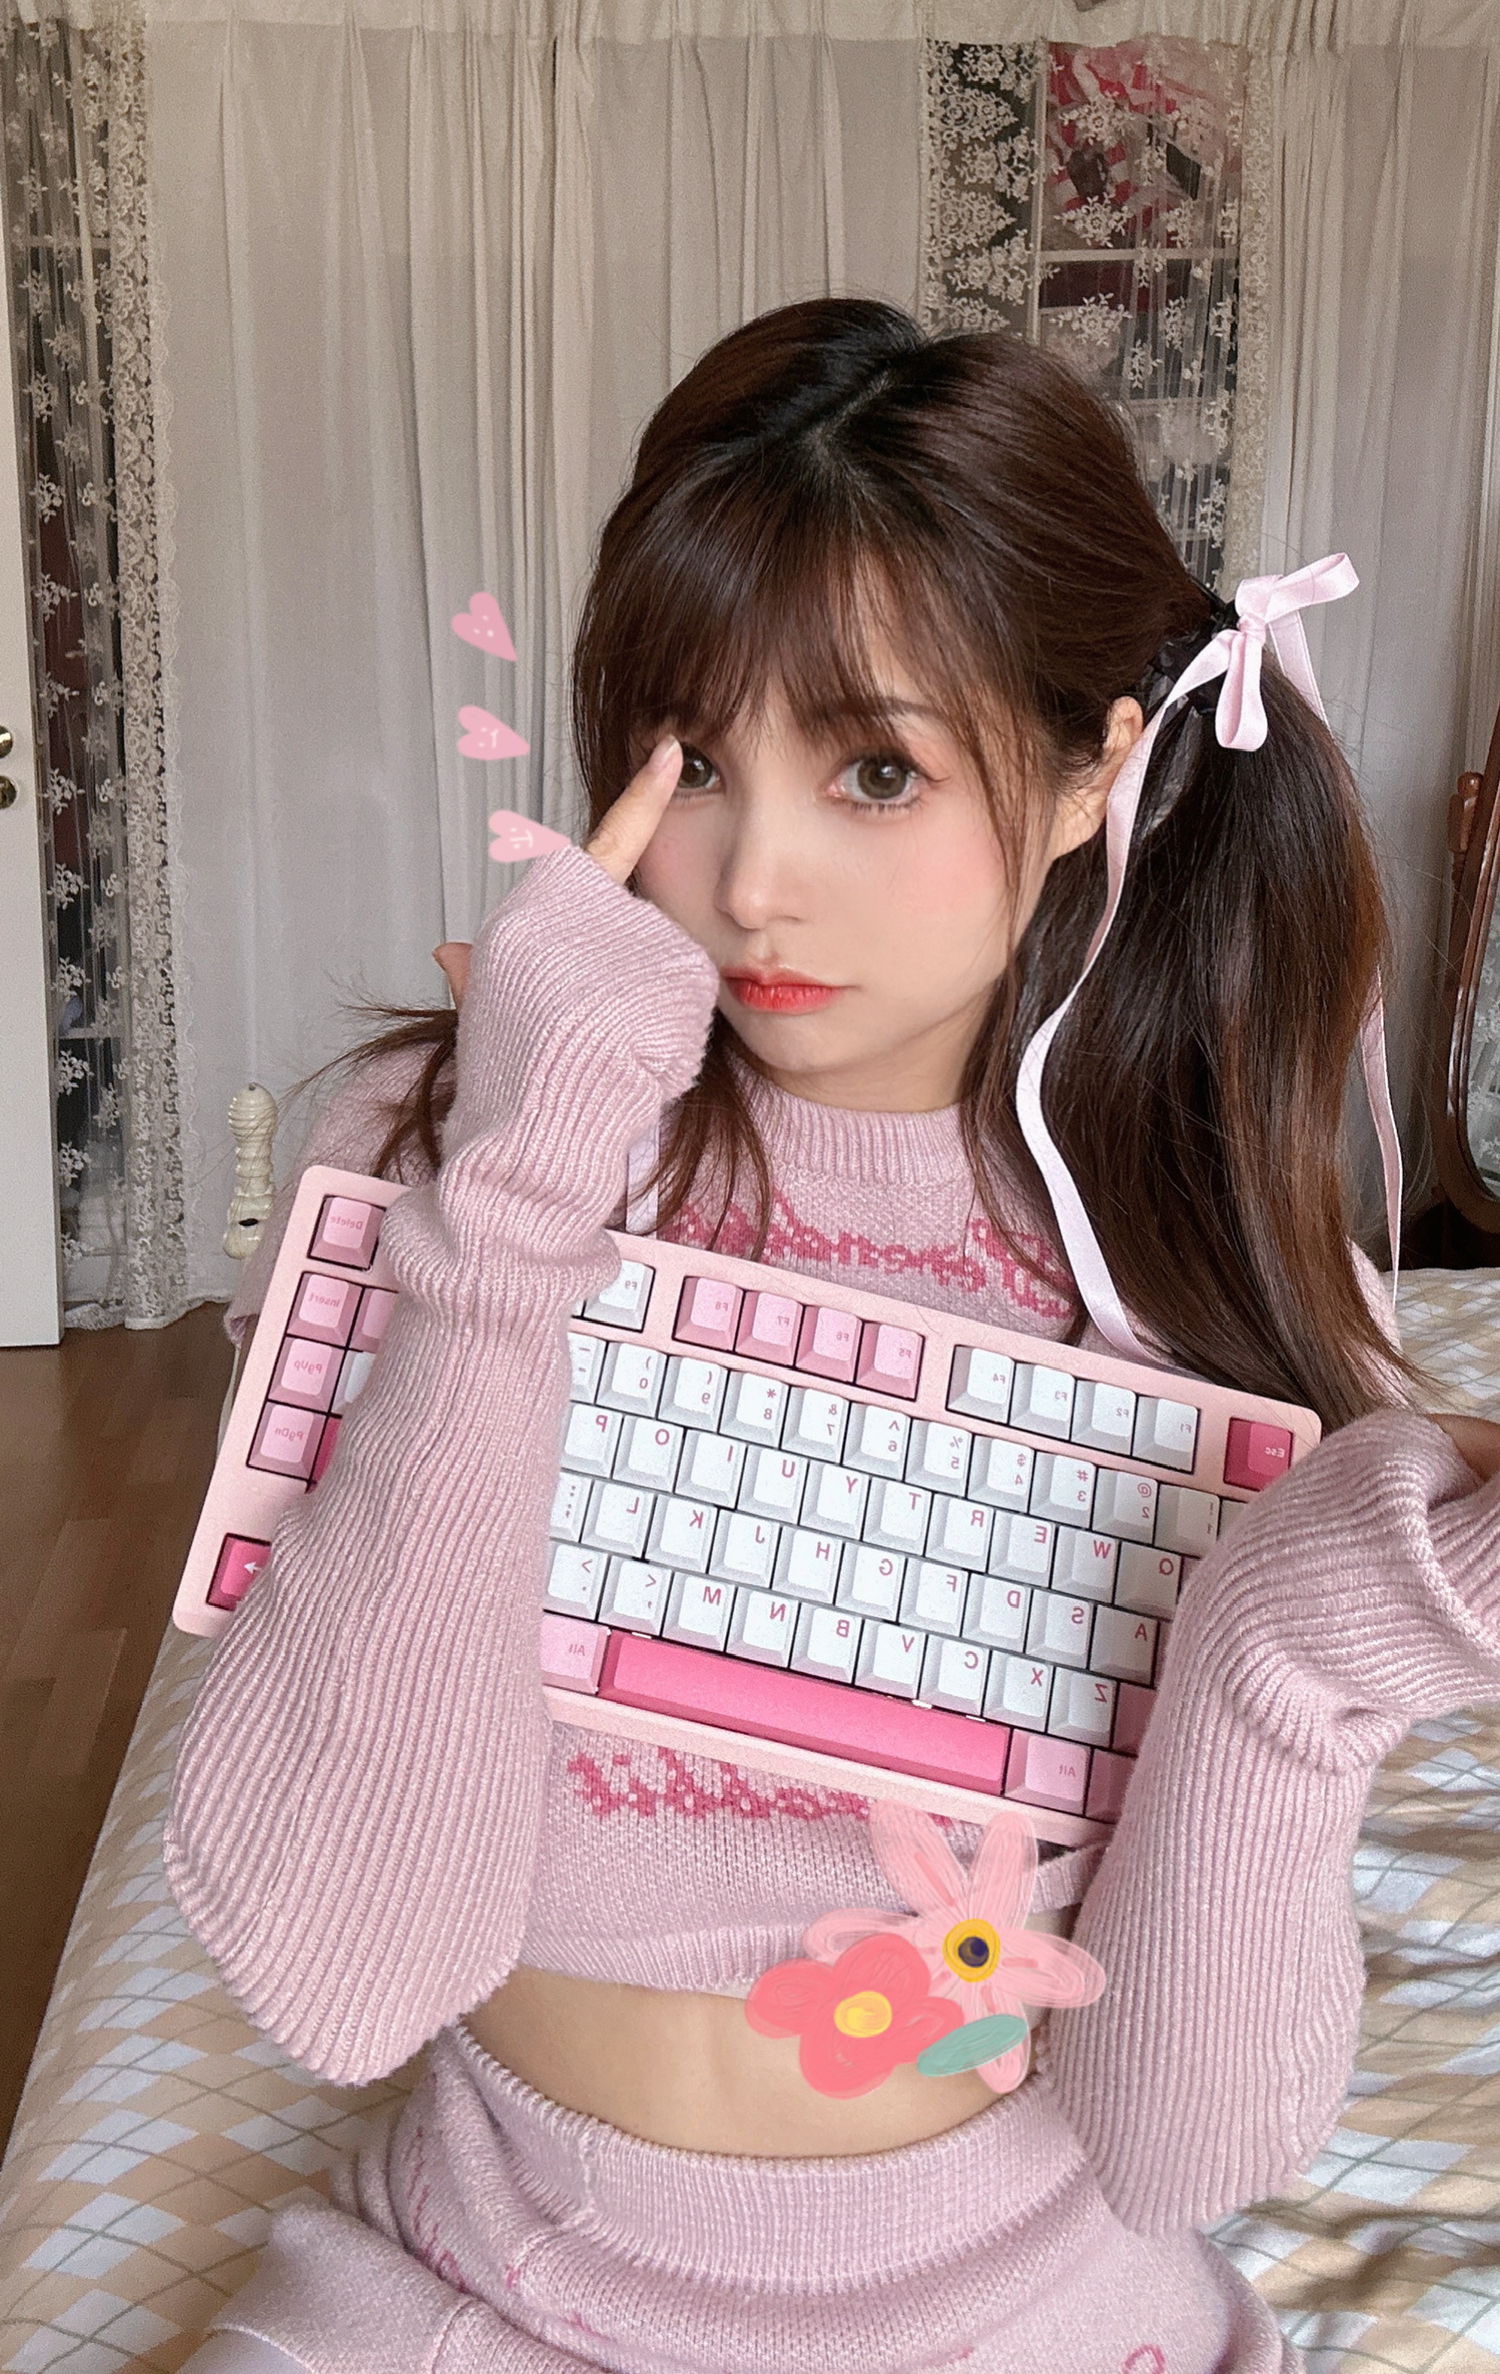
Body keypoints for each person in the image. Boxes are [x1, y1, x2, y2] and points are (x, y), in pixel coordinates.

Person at [168, 300, 1500, 2374]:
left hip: (1030, 2310)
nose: (752, 881)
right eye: (695, 759)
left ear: (1093, 769)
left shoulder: (1190, 1268)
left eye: (875, 768)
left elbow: (1188, 2142)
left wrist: (1290, 1663)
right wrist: (513, 1211)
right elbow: (351, 1966)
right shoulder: (449, 1151)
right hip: (479, 2284)